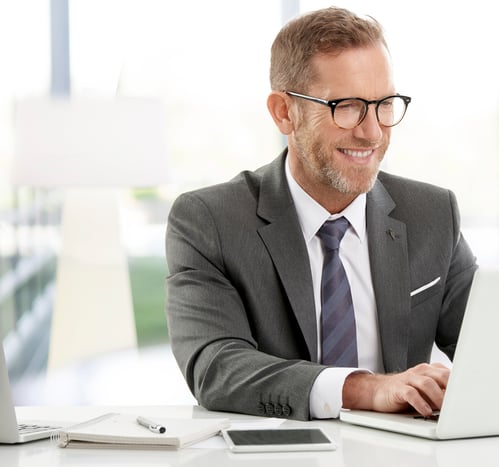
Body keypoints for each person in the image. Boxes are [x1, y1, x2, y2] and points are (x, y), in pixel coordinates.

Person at [165, 6, 478, 421]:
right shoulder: (209, 221)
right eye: (346, 106)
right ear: (283, 112)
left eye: (384, 104)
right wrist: (365, 388)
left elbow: (496, 351)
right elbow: (217, 368)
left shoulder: (433, 214)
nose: (371, 132)